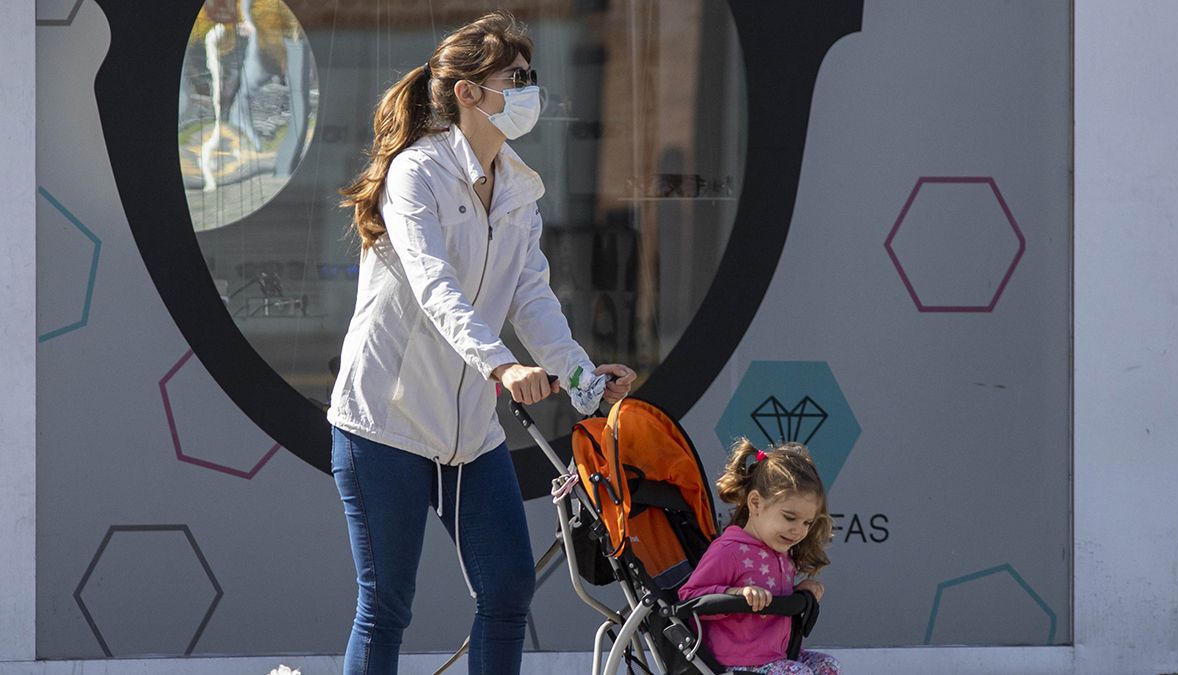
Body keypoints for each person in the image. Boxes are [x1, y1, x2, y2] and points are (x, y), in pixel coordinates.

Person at [328, 11, 636, 675]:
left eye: (531, 76)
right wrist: (502, 364)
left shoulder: (520, 186)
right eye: (515, 78)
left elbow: (532, 297)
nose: (531, 90)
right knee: (386, 604)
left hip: (469, 430)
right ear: (468, 92)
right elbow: (437, 289)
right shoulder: (417, 173)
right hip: (384, 422)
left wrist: (582, 380)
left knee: (507, 590)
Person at [677, 440, 842, 675]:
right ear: (756, 503)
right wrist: (735, 593)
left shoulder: (782, 553)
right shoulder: (729, 550)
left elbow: (772, 600)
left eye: (807, 522)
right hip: (734, 663)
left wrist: (801, 592)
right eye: (789, 517)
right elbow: (689, 598)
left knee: (828, 666)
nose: (798, 530)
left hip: (775, 656)